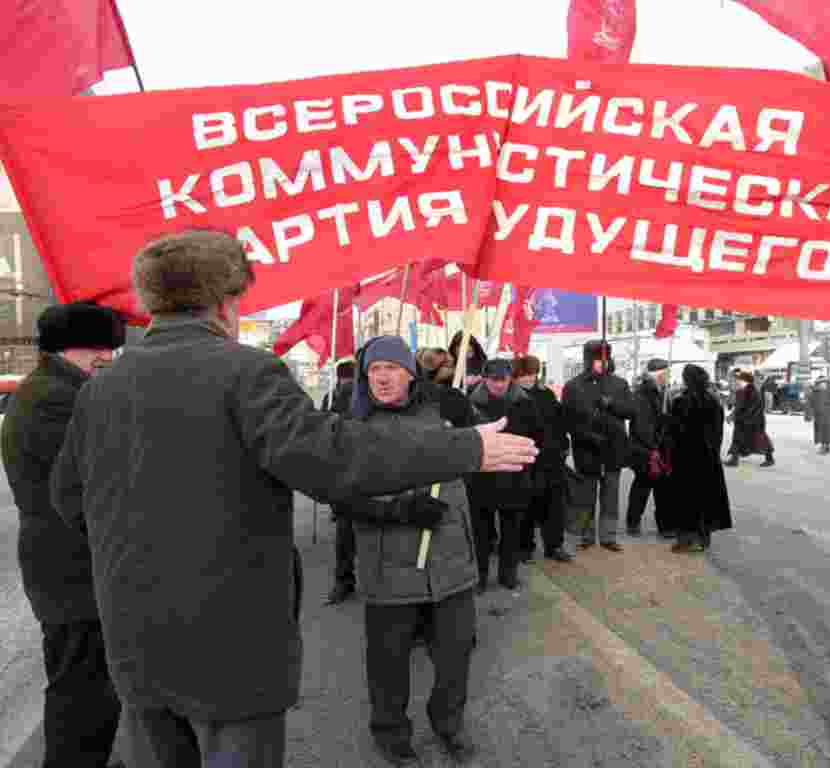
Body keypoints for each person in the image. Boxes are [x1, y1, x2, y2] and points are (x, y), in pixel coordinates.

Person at [49, 229, 537, 768]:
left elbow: (69, 499)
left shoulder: (101, 388)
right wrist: (467, 448)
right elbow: (334, 458)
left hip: (134, 636)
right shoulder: (244, 371)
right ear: (226, 300)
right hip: (229, 642)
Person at [1, 302, 126, 768]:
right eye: (96, 348)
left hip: (65, 565)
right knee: (83, 691)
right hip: (70, 569)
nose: (106, 357)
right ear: (65, 348)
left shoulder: (56, 388)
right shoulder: (59, 397)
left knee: (86, 685)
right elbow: (90, 482)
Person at [348, 335, 481, 766]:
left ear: (410, 372)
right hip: (389, 566)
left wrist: (465, 428)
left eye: (391, 368)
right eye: (374, 370)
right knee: (388, 661)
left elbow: (476, 453)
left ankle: (449, 724)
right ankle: (390, 733)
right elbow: (343, 497)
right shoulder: (352, 428)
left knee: (456, 654)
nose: (383, 377)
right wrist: (401, 509)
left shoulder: (443, 410)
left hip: (450, 559)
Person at [469, 358, 544, 590]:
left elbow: (537, 434)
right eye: (494, 380)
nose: (499, 385)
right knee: (480, 531)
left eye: (503, 380)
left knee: (512, 528)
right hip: (482, 475)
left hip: (514, 473)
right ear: (485, 379)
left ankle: (508, 573)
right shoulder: (471, 401)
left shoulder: (524, 401)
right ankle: (479, 576)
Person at [562, 340, 634, 552]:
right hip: (587, 449)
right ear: (588, 360)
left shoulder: (619, 384)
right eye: (597, 359)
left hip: (613, 448)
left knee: (611, 495)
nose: (602, 363)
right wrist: (586, 435)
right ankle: (586, 533)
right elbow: (567, 420)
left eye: (605, 358)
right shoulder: (573, 386)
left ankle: (608, 535)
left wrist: (611, 404)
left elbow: (631, 411)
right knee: (586, 495)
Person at [513, 355, 574, 563]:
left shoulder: (546, 394)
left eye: (533, 374)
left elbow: (559, 422)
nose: (530, 378)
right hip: (527, 458)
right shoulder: (514, 397)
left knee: (554, 505)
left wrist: (564, 443)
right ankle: (524, 547)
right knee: (527, 505)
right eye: (525, 374)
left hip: (552, 457)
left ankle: (554, 545)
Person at [666, 365, 732, 553]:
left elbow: (678, 432)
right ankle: (703, 539)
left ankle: (686, 540)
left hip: (686, 460)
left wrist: (667, 422)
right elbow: (717, 432)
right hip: (708, 459)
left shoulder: (682, 402)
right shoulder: (713, 401)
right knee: (705, 499)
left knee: (686, 500)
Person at [322, 360, 358, 605]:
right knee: (346, 531)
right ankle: (343, 580)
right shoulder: (338, 395)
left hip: (371, 470)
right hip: (347, 472)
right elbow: (325, 426)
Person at [625, 359, 674, 538]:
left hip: (661, 448)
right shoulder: (642, 394)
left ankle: (665, 526)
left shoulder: (664, 392)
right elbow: (642, 425)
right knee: (642, 487)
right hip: (645, 450)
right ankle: (633, 523)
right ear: (657, 374)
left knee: (664, 490)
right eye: (665, 374)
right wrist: (652, 445)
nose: (668, 377)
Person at [724, 371, 775, 467]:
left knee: (758, 438)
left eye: (737, 379)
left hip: (751, 420)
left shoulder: (746, 390)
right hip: (749, 419)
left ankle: (770, 458)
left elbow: (740, 405)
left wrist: (732, 415)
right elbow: (740, 404)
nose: (735, 381)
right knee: (739, 438)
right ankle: (734, 459)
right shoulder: (748, 389)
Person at [806, 377, 830, 454]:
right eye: (821, 383)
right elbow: (809, 404)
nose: (823, 385)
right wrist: (808, 415)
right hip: (819, 415)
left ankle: (825, 446)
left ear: (827, 383)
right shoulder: (814, 392)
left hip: (829, 414)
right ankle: (824, 446)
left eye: (824, 383)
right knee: (820, 431)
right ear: (818, 384)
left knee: (828, 431)